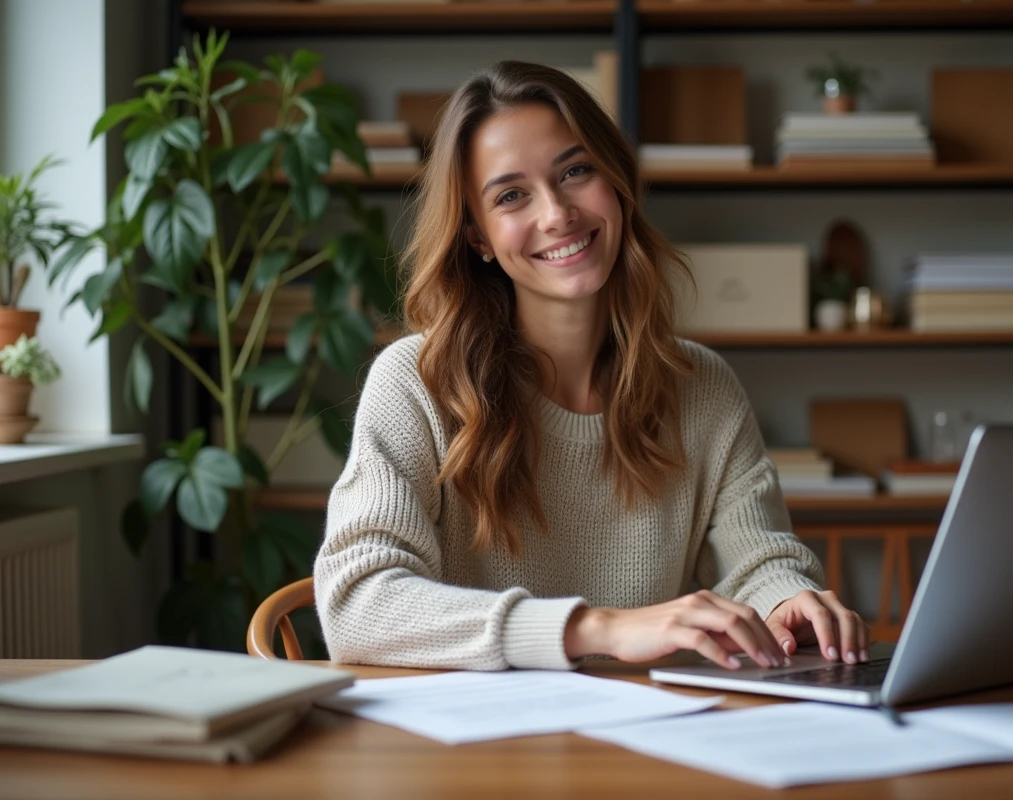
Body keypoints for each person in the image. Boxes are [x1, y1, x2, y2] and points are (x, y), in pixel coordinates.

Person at [314, 60, 870, 672]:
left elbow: (758, 558)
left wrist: (787, 598)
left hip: (651, 750)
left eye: (576, 171)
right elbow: (356, 606)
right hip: (470, 758)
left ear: (617, 182)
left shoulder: (702, 386)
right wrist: (595, 627)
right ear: (477, 236)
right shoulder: (415, 382)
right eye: (511, 196)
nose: (557, 213)